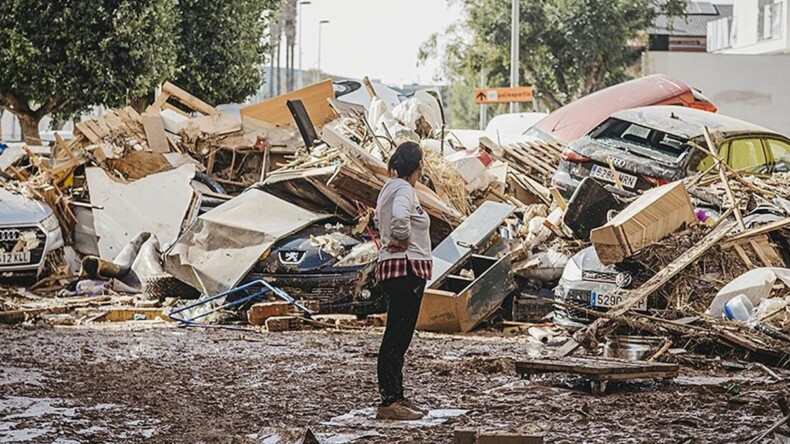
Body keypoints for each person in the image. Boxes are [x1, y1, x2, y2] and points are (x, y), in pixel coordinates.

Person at [374, 141, 433, 421]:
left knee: (399, 335)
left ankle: (397, 395)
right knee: (397, 336)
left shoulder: (390, 188)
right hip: (405, 269)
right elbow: (398, 220)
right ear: (418, 168)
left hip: (397, 267)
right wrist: (404, 239)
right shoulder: (404, 190)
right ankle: (389, 400)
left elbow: (380, 221)